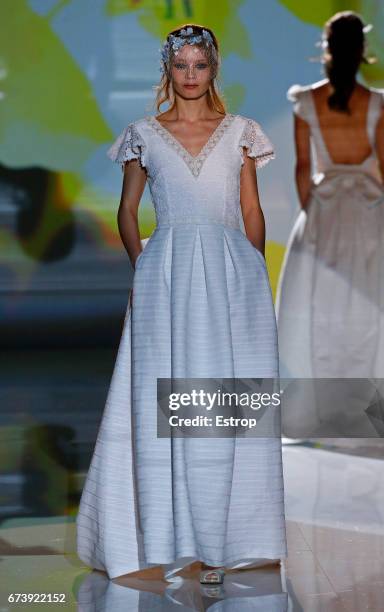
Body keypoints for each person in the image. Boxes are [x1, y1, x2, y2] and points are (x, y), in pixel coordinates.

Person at [76, 23, 287, 584]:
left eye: (200, 65)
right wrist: (141, 264)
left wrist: (253, 274)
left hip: (230, 273)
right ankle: (170, 535)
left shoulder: (242, 132)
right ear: (166, 70)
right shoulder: (142, 133)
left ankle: (224, 538)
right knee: (161, 398)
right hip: (164, 273)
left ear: (214, 68)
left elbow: (251, 210)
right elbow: (127, 210)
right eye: (180, 65)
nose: (190, 75)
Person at [276, 11, 384, 383]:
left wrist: (310, 211)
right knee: (374, 303)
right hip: (371, 213)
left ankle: (328, 396)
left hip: (325, 210)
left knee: (323, 306)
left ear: (327, 48)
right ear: (362, 50)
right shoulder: (377, 103)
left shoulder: (305, 101)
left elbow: (303, 167)